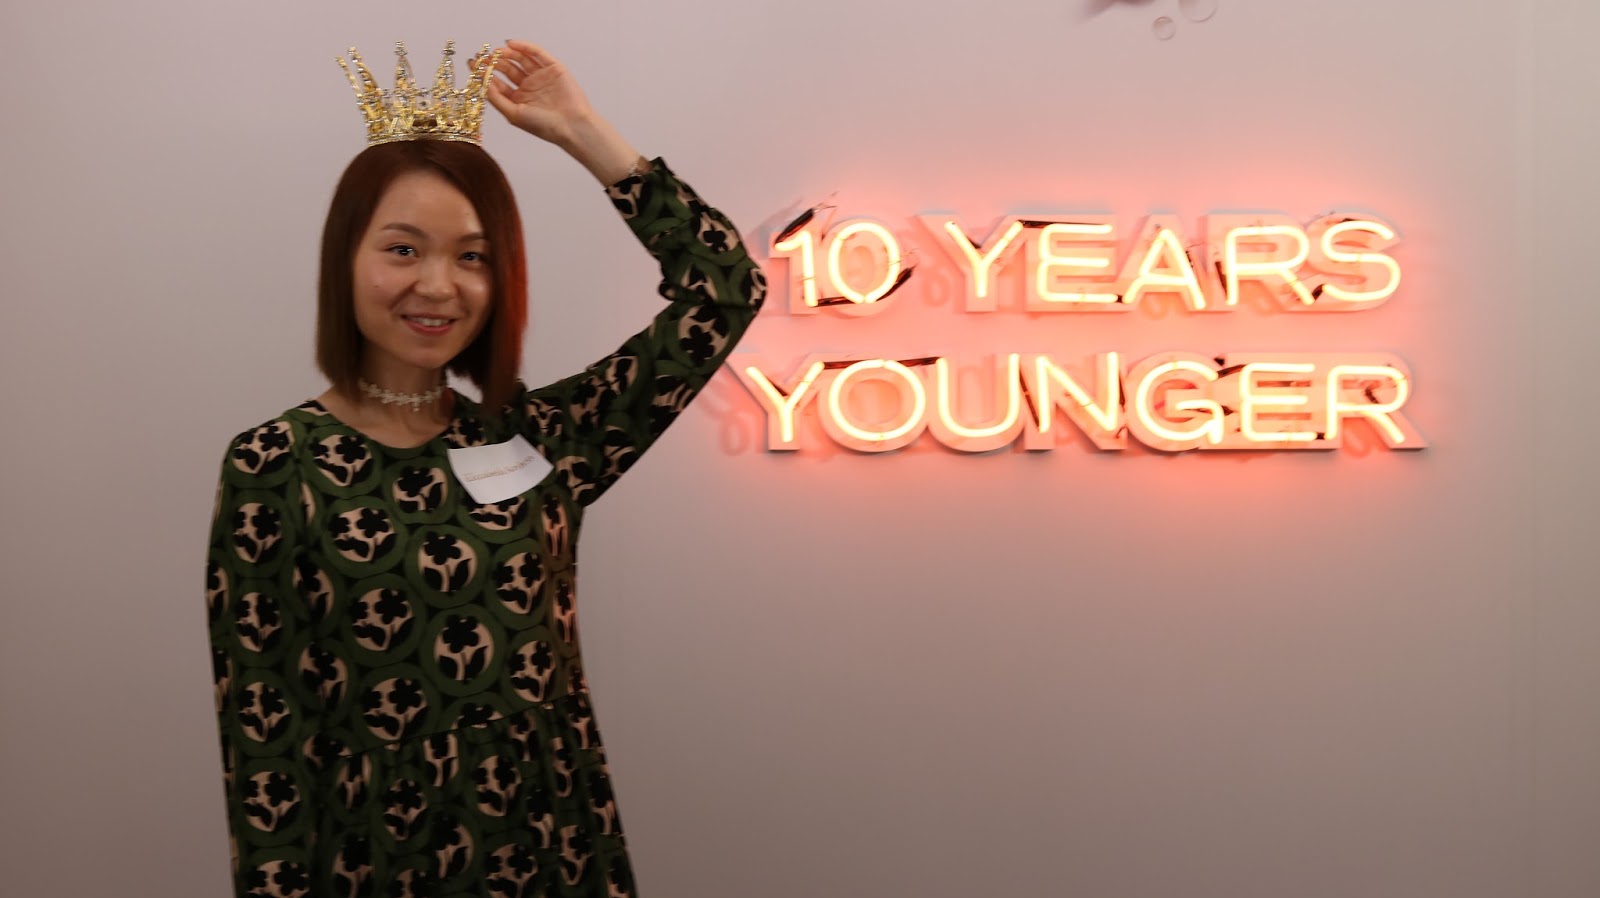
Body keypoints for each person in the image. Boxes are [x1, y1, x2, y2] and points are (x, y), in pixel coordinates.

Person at [204, 39, 765, 897]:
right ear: (345, 259)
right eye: (402, 249)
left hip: (557, 856)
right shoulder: (276, 466)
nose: (439, 285)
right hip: (382, 866)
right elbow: (265, 750)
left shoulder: (544, 440)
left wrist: (584, 134)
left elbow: (723, 290)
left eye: (472, 255)